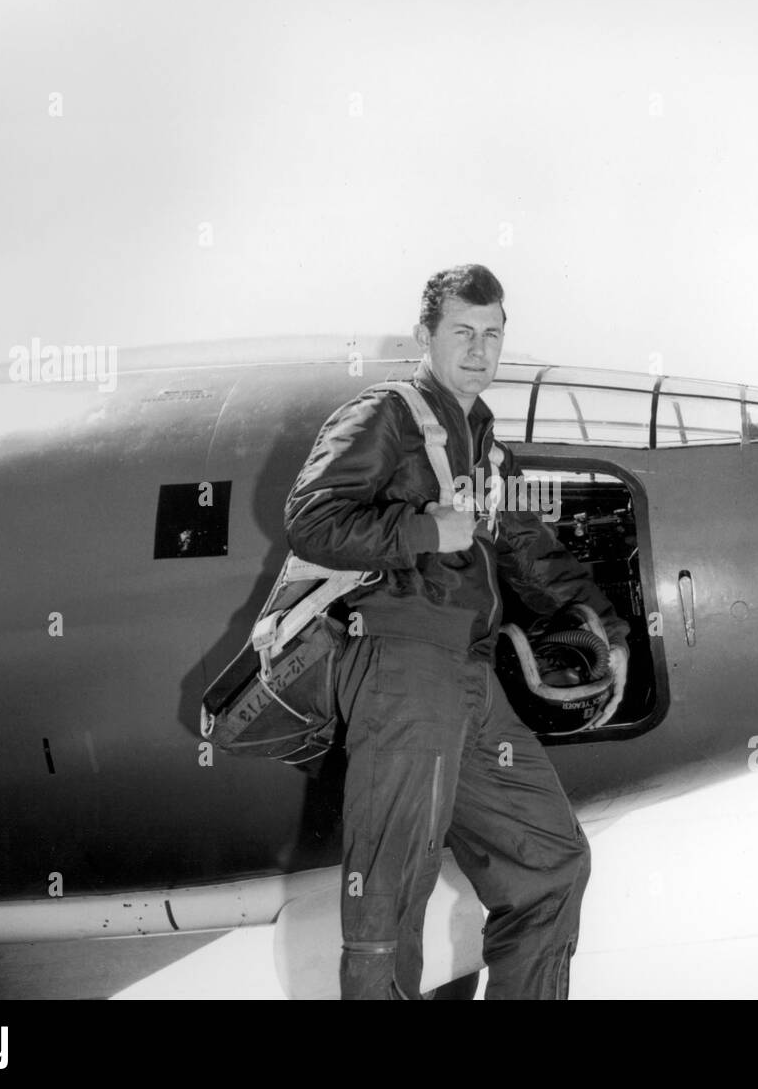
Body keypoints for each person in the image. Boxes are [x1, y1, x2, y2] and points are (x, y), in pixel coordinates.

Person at [284, 264, 630, 999]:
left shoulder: (482, 443)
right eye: (463, 333)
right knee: (391, 892)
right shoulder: (388, 414)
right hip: (401, 665)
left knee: (550, 862)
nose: (479, 349)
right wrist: (423, 530)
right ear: (427, 336)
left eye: (492, 335)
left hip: (469, 681)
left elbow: (527, 546)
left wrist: (605, 624)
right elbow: (310, 520)